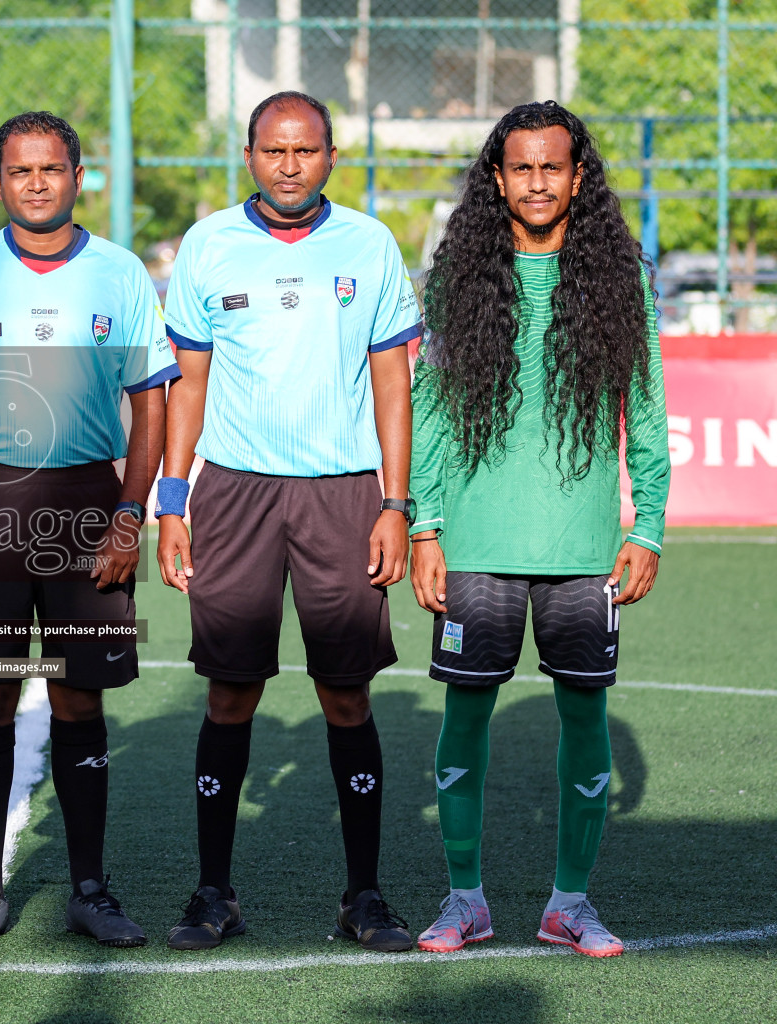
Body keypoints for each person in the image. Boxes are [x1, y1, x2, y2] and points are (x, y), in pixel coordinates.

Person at [157, 91, 421, 952]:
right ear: (250, 155)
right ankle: (211, 893)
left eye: (305, 151)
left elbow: (393, 383)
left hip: (343, 493)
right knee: (232, 689)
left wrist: (394, 502)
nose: (289, 164)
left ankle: (364, 896)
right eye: (274, 150)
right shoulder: (207, 245)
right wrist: (171, 499)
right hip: (232, 493)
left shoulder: (370, 245)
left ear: (331, 157)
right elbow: (186, 386)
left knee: (345, 693)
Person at [0, 111, 177, 951]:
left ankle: (91, 889)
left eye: (51, 169)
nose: (36, 183)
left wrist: (131, 514)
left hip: (89, 507)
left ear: (77, 176)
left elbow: (152, 402)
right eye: (20, 171)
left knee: (77, 693)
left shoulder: (120, 274)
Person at [408, 101, 668, 958]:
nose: (537, 182)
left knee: (583, 716)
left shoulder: (619, 279)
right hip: (477, 544)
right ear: (497, 177)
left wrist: (649, 524)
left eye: (552, 166)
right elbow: (433, 413)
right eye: (521, 167)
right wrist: (424, 525)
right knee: (464, 718)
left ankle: (570, 903)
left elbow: (650, 410)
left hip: (582, 547)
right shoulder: (460, 283)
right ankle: (465, 899)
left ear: (578, 176)